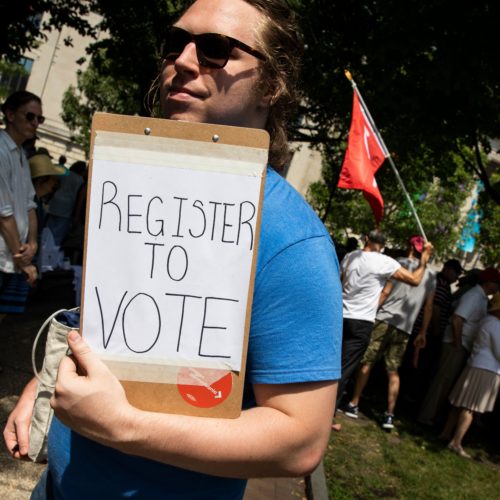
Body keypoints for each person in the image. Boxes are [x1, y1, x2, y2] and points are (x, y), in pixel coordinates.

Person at [3, 1, 343, 498]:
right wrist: (51, 381)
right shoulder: (137, 183)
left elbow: (300, 441)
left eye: (213, 50)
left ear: (272, 84)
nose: (183, 60)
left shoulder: (293, 241)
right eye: (174, 43)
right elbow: (111, 325)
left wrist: (125, 426)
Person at [340, 235, 436, 430]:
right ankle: (390, 414)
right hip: (406, 327)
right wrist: (423, 331)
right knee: (393, 371)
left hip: (383, 319)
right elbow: (429, 307)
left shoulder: (397, 263)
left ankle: (354, 403)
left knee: (367, 362)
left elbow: (385, 292)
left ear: (410, 247)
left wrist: (371, 312)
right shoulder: (431, 275)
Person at [418, 267, 500, 427]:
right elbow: (457, 319)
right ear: (489, 282)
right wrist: (457, 343)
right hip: (455, 345)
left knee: (446, 383)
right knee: (441, 382)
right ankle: (426, 417)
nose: (497, 286)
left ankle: (432, 417)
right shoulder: (474, 296)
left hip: (460, 345)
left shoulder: (481, 297)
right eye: (497, 283)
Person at [439, 293, 500, 458]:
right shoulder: (495, 325)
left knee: (459, 403)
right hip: (486, 369)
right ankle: (456, 442)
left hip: (476, 364)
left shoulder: (487, 321)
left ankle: (446, 433)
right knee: (470, 407)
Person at [0, 91, 40, 336]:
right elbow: (3, 214)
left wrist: (32, 244)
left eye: (40, 119)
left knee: (5, 312)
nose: (35, 123)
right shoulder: (2, 150)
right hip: (6, 254)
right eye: (30, 116)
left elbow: (29, 205)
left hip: (13, 256)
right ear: (11, 115)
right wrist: (22, 257)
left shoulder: (21, 155)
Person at [45, 160, 84, 246]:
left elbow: (56, 184)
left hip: (55, 202)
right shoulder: (80, 180)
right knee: (58, 235)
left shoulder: (65, 174)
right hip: (67, 208)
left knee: (48, 230)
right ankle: (51, 253)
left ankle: (43, 249)